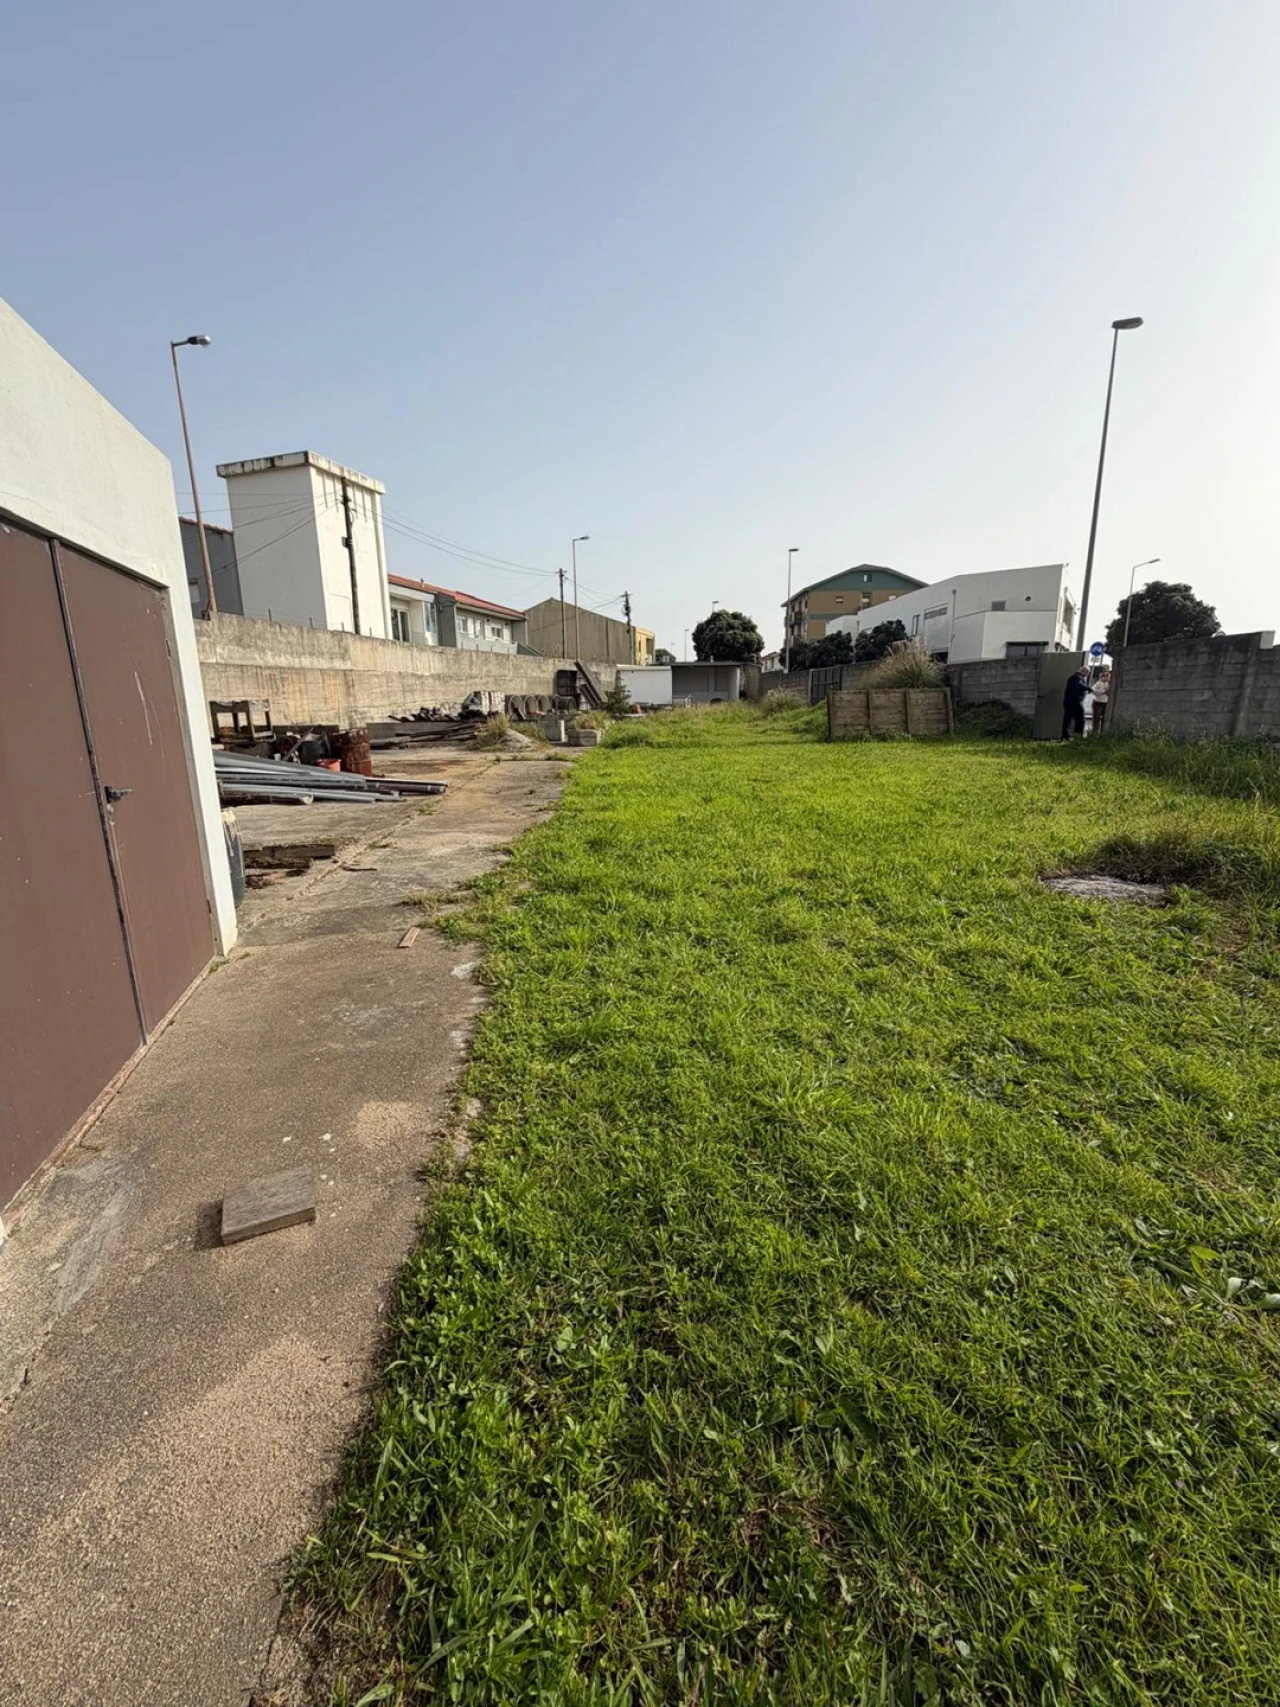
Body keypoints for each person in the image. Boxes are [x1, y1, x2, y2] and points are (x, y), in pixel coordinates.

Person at [1062, 667, 1088, 740]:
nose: (1086, 675)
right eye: (1086, 673)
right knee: (1080, 720)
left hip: (1069, 701)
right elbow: (1079, 685)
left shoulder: (1073, 677)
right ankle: (1078, 735)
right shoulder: (1077, 677)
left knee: (1068, 719)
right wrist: (1088, 688)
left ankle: (1065, 736)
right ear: (1083, 671)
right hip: (1075, 702)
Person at [1091, 668, 1110, 734]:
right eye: (1104, 676)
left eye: (1107, 676)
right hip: (1098, 702)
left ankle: (1103, 732)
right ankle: (1094, 732)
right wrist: (1104, 692)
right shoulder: (1098, 683)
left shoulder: (1109, 684)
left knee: (1105, 718)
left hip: (1106, 703)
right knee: (1097, 718)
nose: (1105, 677)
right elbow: (1093, 691)